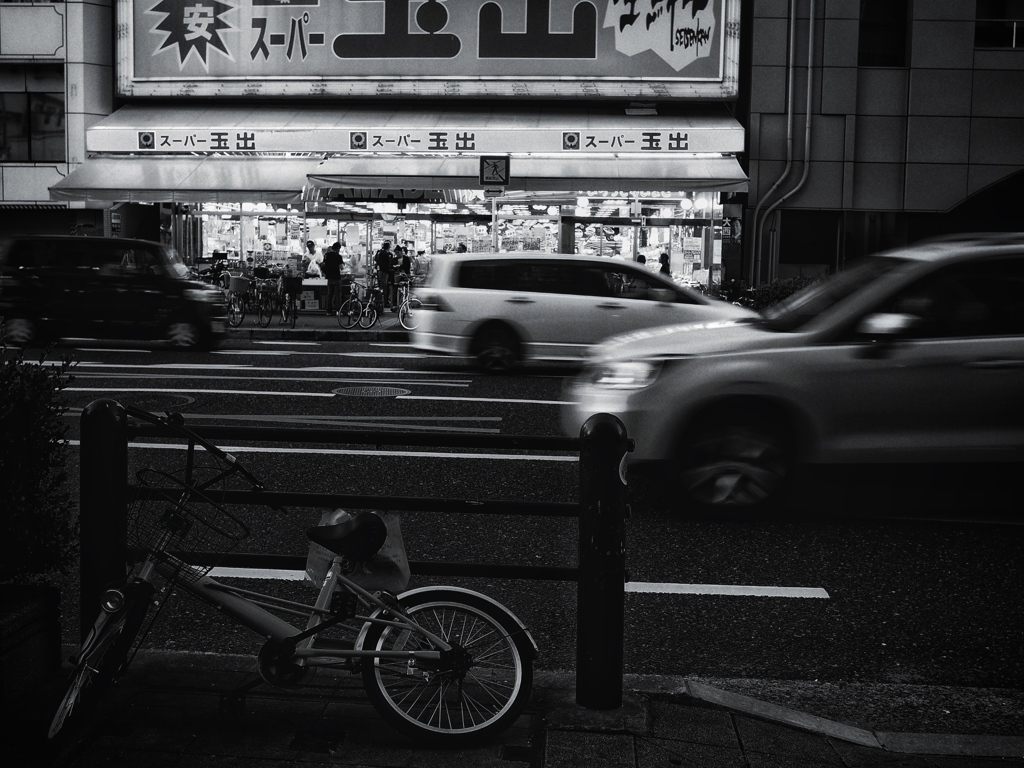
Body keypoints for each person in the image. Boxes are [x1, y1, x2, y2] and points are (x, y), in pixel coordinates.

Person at [321, 242, 344, 315]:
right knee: (337, 295)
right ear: (337, 249)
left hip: (329, 278)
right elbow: (341, 268)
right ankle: (338, 311)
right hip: (337, 278)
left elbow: (323, 265)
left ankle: (328, 311)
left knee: (329, 294)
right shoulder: (338, 256)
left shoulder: (326, 255)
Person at [374, 240, 396, 310]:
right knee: (384, 286)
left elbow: (375, 260)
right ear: (388, 247)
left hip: (380, 271)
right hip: (385, 272)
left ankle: (381, 301)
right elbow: (389, 263)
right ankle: (385, 301)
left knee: (381, 286)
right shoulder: (387, 254)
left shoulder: (379, 252)